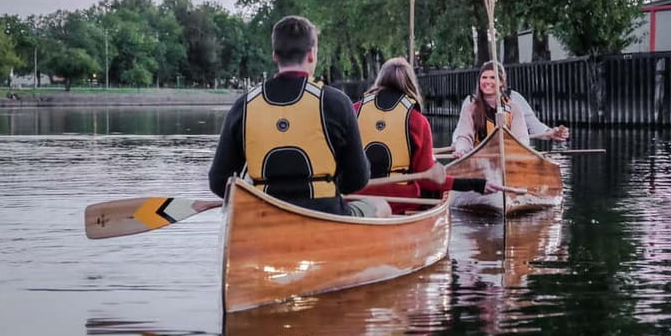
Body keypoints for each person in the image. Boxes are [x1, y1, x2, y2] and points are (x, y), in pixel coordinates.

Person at [208, 15, 390, 218]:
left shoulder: (243, 105)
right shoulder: (336, 102)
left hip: (263, 218)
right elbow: (358, 179)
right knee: (381, 205)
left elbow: (218, 181)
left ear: (275, 55)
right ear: (312, 54)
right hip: (326, 215)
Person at [352, 57, 504, 213]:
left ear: (380, 79)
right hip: (399, 203)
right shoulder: (417, 120)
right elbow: (429, 181)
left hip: (354, 198)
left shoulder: (353, 111)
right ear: (410, 83)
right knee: (431, 192)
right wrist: (476, 184)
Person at [451, 61, 569, 158]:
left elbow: (526, 131)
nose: (488, 82)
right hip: (479, 157)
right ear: (479, 80)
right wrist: (460, 148)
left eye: (493, 77)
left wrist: (550, 133)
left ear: (503, 81)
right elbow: (463, 134)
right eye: (484, 77)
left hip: (509, 156)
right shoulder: (470, 105)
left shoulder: (514, 104)